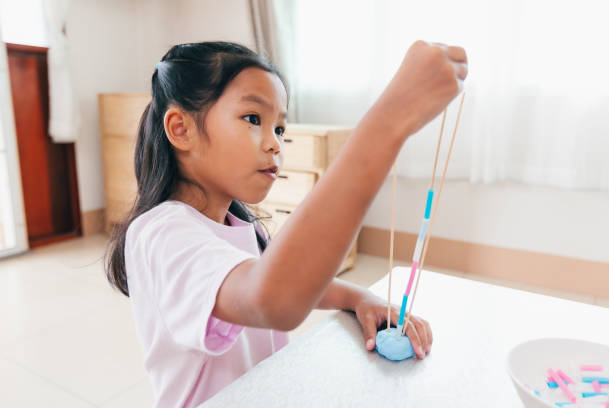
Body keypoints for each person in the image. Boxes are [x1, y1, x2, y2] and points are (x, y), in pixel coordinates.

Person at [105, 40, 468, 407]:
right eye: (253, 119)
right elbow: (274, 297)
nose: (275, 144)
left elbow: (294, 276)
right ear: (181, 129)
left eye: (280, 128)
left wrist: (358, 297)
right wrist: (390, 120)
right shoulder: (161, 232)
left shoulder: (241, 225)